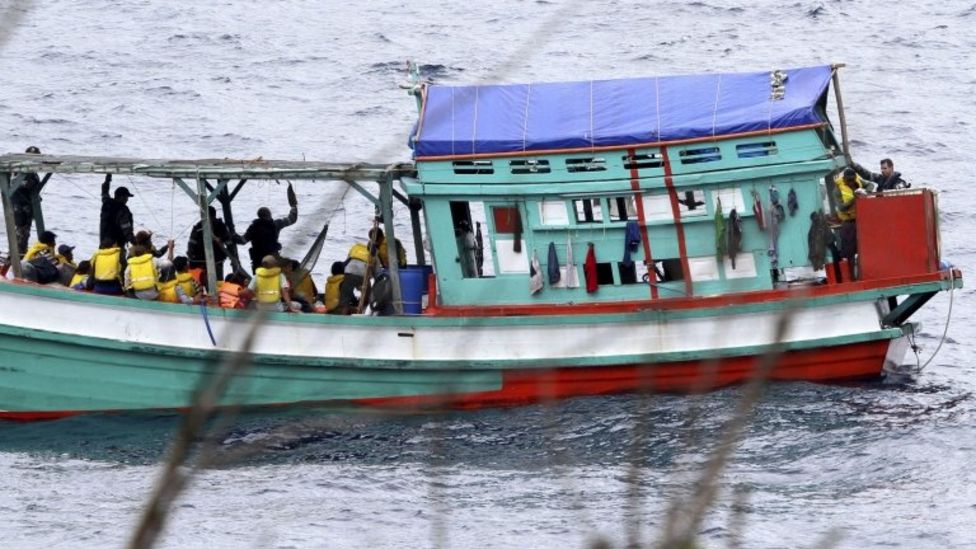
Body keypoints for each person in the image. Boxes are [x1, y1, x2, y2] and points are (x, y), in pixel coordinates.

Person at [239, 183, 298, 272]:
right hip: (273, 260)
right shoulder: (276, 224)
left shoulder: (253, 228)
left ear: (259, 216)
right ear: (269, 215)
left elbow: (242, 241)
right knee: (294, 265)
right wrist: (294, 206)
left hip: (258, 263)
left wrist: (231, 236)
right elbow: (292, 219)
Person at [187, 206, 234, 283]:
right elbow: (192, 242)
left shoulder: (218, 225)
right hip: (208, 260)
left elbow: (191, 244)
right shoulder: (201, 226)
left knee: (211, 282)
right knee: (211, 282)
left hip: (210, 260)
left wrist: (190, 257)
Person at [11, 146, 43, 256]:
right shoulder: (20, 169)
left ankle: (21, 251)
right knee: (21, 230)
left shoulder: (32, 172)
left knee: (25, 231)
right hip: (19, 205)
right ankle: (17, 253)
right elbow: (15, 184)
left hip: (28, 205)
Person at [833, 167, 868, 263]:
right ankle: (850, 270)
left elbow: (870, 185)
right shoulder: (837, 190)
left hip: (861, 219)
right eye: (849, 180)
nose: (851, 182)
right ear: (844, 179)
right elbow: (841, 207)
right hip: (848, 221)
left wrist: (865, 192)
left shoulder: (858, 181)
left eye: (853, 180)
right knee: (848, 249)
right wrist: (853, 199)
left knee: (865, 246)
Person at [99, 174, 136, 261]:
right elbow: (126, 229)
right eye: (126, 197)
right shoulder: (123, 210)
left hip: (103, 244)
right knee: (119, 268)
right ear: (121, 197)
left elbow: (104, 191)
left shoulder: (106, 203)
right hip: (116, 247)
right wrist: (135, 242)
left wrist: (107, 180)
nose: (127, 200)